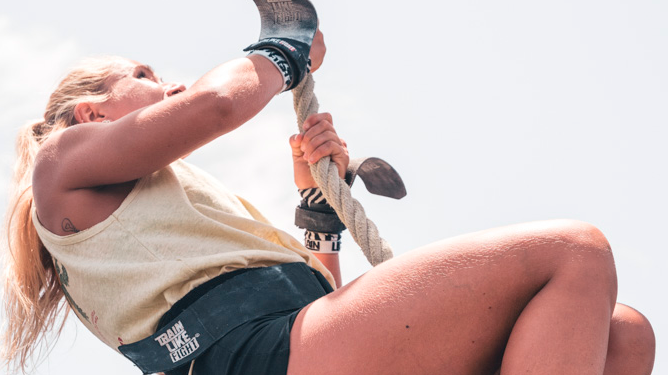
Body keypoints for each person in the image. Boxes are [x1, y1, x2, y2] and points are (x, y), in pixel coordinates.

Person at [1, 25, 655, 375]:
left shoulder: (156, 215)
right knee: (575, 251)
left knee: (621, 335)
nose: (166, 81)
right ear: (89, 110)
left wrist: (317, 211)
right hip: (259, 356)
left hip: (289, 348)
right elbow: (222, 101)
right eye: (142, 76)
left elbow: (315, 310)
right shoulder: (62, 164)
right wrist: (282, 42)